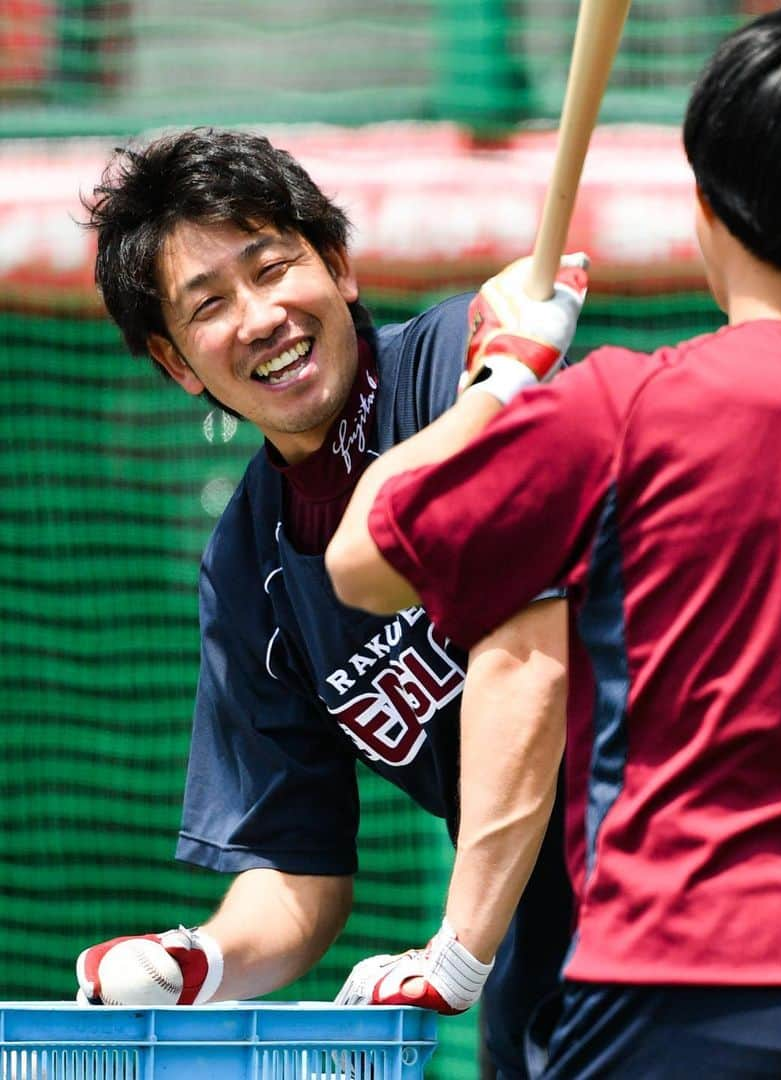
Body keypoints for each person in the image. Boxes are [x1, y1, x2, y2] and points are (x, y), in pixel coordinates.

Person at [322, 1, 781, 1076]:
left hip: (687, 997)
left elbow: (362, 563)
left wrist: (502, 379)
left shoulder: (623, 411)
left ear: (705, 205)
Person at [71, 127, 585, 1080]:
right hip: (537, 935)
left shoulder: (469, 365)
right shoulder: (244, 568)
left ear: (339, 265)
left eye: (273, 268)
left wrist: (458, 945)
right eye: (210, 304)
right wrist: (202, 961)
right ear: (179, 363)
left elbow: (534, 660)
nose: (260, 317)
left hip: (692, 868)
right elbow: (299, 876)